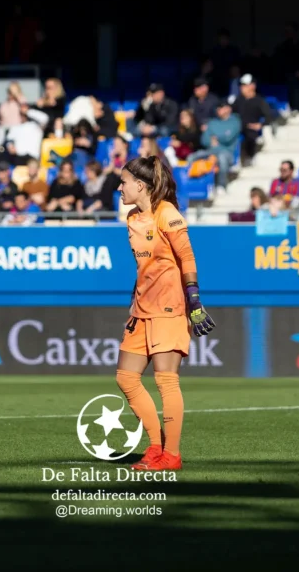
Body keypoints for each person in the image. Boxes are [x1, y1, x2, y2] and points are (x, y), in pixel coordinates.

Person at [115, 155, 215, 472]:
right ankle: (156, 446)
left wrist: (195, 301)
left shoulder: (167, 214)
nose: (119, 188)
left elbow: (186, 257)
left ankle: (170, 455)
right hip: (141, 310)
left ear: (141, 185)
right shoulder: (132, 218)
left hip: (170, 307)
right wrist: (134, 301)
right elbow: (144, 269)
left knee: (165, 381)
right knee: (126, 378)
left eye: (124, 182)